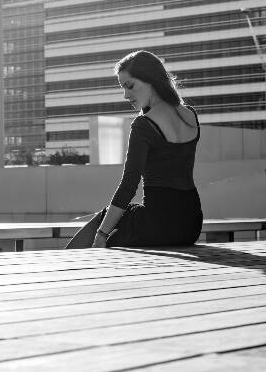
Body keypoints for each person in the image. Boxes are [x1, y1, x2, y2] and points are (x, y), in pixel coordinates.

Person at [65, 50, 203, 249]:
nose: (125, 95)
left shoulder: (143, 125)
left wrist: (101, 235)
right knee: (123, 216)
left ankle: (68, 267)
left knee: (105, 223)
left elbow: (129, 186)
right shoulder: (190, 114)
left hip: (159, 224)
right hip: (191, 224)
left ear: (152, 80)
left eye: (130, 86)